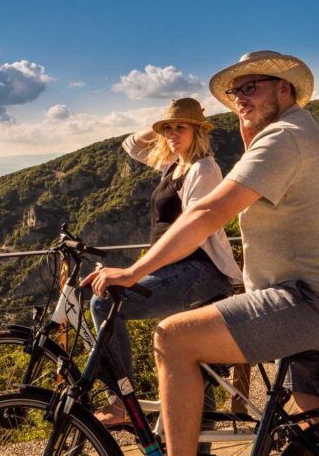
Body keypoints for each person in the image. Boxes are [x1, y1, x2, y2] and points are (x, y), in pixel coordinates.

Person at [81, 50, 319, 455]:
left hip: (310, 304)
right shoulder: (315, 130)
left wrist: (133, 272)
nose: (240, 98)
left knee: (174, 339)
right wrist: (245, 133)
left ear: (284, 88)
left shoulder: (284, 138)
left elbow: (207, 213)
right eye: (236, 91)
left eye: (251, 87)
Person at [89, 97, 242, 429]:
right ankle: (200, 445)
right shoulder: (175, 164)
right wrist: (163, 125)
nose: (172, 133)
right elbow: (130, 145)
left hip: (200, 271)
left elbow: (194, 230)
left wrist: (134, 273)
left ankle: (120, 401)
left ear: (198, 131)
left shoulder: (203, 168)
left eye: (181, 127)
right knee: (196, 364)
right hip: (178, 269)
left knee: (105, 303)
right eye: (168, 128)